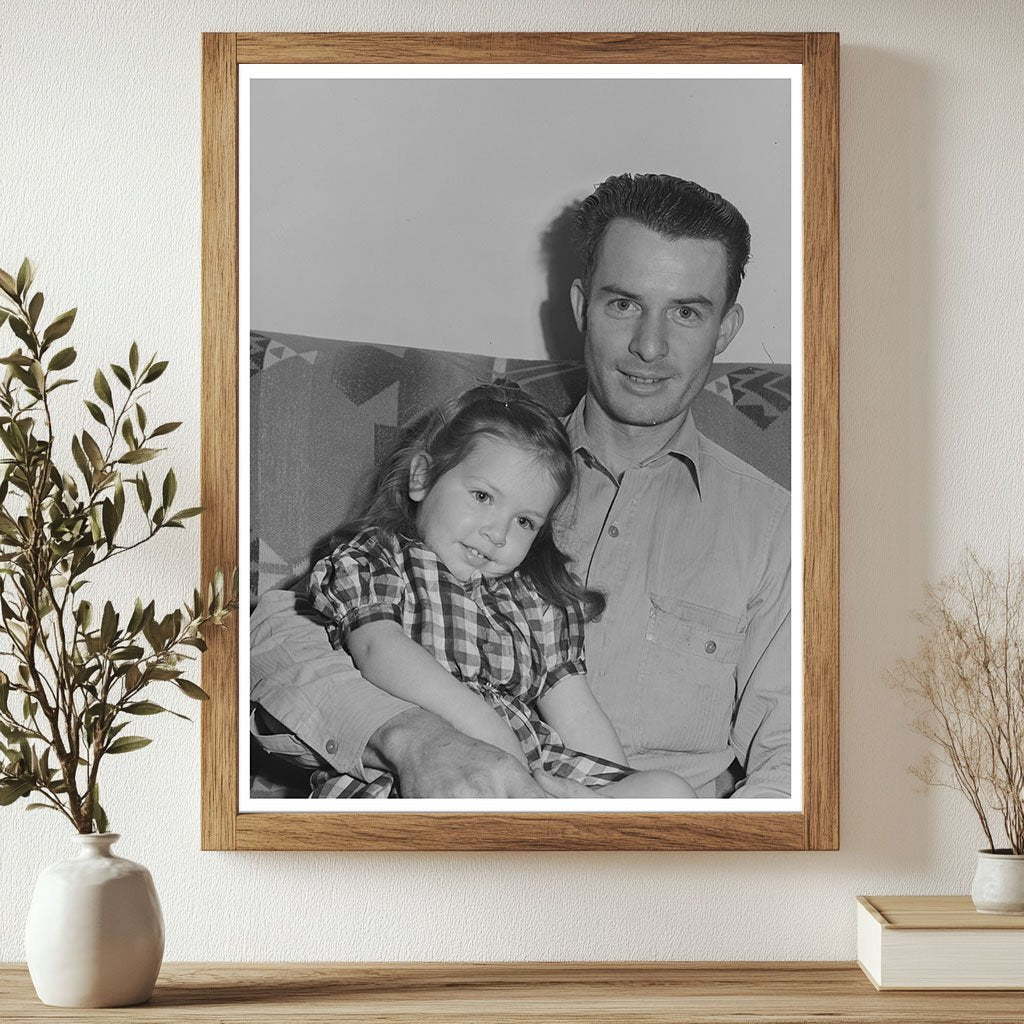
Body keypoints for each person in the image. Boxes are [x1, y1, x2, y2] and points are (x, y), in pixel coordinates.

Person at [250, 172, 790, 799]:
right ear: (582, 306)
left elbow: (791, 763)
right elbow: (274, 638)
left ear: (725, 328)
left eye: (687, 312)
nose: (649, 345)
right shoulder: (483, 464)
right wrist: (411, 738)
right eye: (623, 304)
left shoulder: (774, 525)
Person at [304, 381, 695, 799]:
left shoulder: (533, 600)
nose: (498, 533)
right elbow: (377, 650)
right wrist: (488, 731)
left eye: (524, 521)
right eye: (482, 496)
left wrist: (610, 791)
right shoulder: (378, 558)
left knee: (668, 791)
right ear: (422, 477)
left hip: (533, 772)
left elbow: (577, 712)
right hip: (427, 767)